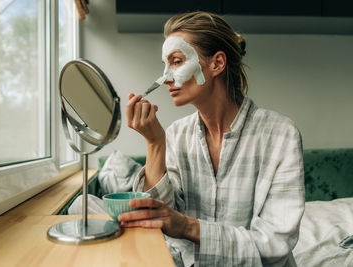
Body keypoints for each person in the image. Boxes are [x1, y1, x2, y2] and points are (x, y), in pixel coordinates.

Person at [120, 11, 305, 267]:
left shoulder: (281, 135)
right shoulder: (175, 134)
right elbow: (159, 221)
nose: (165, 78)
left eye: (176, 61)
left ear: (217, 64)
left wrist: (186, 226)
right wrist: (154, 144)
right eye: (165, 65)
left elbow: (275, 244)